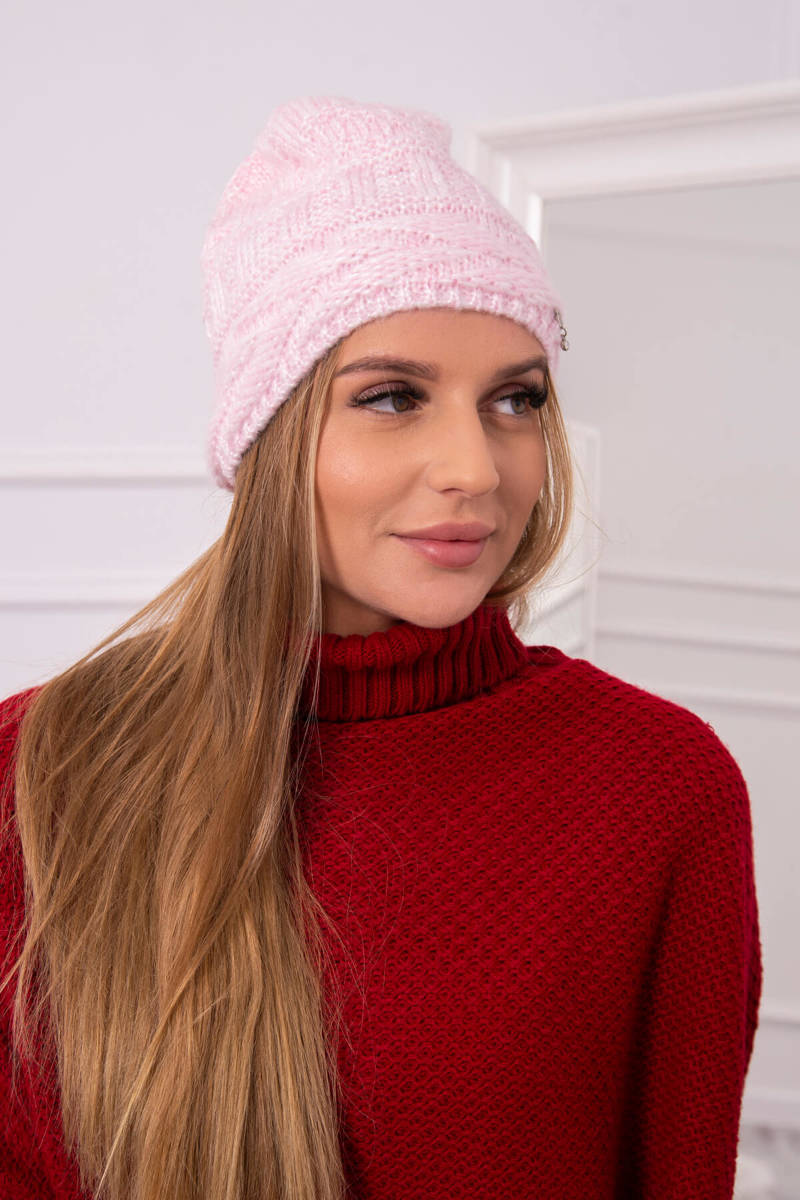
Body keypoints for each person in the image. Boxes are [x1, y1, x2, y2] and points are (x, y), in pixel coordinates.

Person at [0, 95, 762, 1200]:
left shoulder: (658, 787)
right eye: (394, 397)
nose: (475, 467)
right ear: (269, 434)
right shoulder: (45, 768)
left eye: (514, 400)